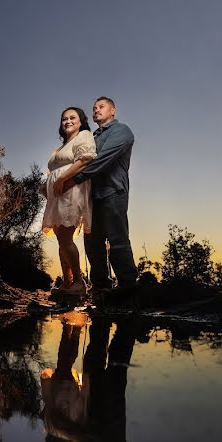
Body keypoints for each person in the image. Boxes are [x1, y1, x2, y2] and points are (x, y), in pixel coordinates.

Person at [59, 97, 138, 302]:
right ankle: (101, 287)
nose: (96, 110)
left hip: (112, 191)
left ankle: (128, 286)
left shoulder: (121, 131)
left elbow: (100, 159)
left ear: (113, 111)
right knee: (92, 243)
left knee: (117, 239)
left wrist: (75, 177)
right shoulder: (90, 136)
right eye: (94, 108)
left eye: (101, 107)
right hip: (90, 197)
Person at [82, 317, 137, 442]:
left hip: (94, 407)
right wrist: (80, 437)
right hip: (112, 408)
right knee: (118, 361)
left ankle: (102, 318)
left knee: (93, 359)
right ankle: (129, 318)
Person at [42, 107, 96, 297]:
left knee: (65, 236)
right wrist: (47, 186)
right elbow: (53, 170)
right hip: (57, 195)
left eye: (73, 117)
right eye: (64, 118)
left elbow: (85, 159)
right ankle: (67, 282)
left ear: (81, 121)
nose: (68, 121)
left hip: (72, 190)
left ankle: (80, 282)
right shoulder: (61, 146)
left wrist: (61, 179)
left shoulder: (84, 135)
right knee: (61, 239)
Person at [40, 314, 94, 442]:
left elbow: (52, 434)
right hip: (68, 410)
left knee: (63, 365)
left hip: (57, 406)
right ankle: (73, 327)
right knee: (63, 365)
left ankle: (73, 327)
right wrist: (60, 428)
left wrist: (47, 418)